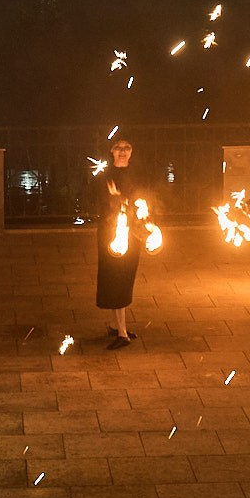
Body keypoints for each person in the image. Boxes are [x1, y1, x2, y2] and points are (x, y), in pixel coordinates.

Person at [88, 139, 153, 349]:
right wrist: (116, 202)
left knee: (124, 278)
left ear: (132, 151)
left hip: (132, 234)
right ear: (112, 151)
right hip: (110, 233)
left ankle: (116, 326)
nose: (122, 151)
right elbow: (98, 202)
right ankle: (122, 333)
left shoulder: (138, 175)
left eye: (126, 147)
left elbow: (144, 202)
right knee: (112, 277)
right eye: (118, 147)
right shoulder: (105, 177)